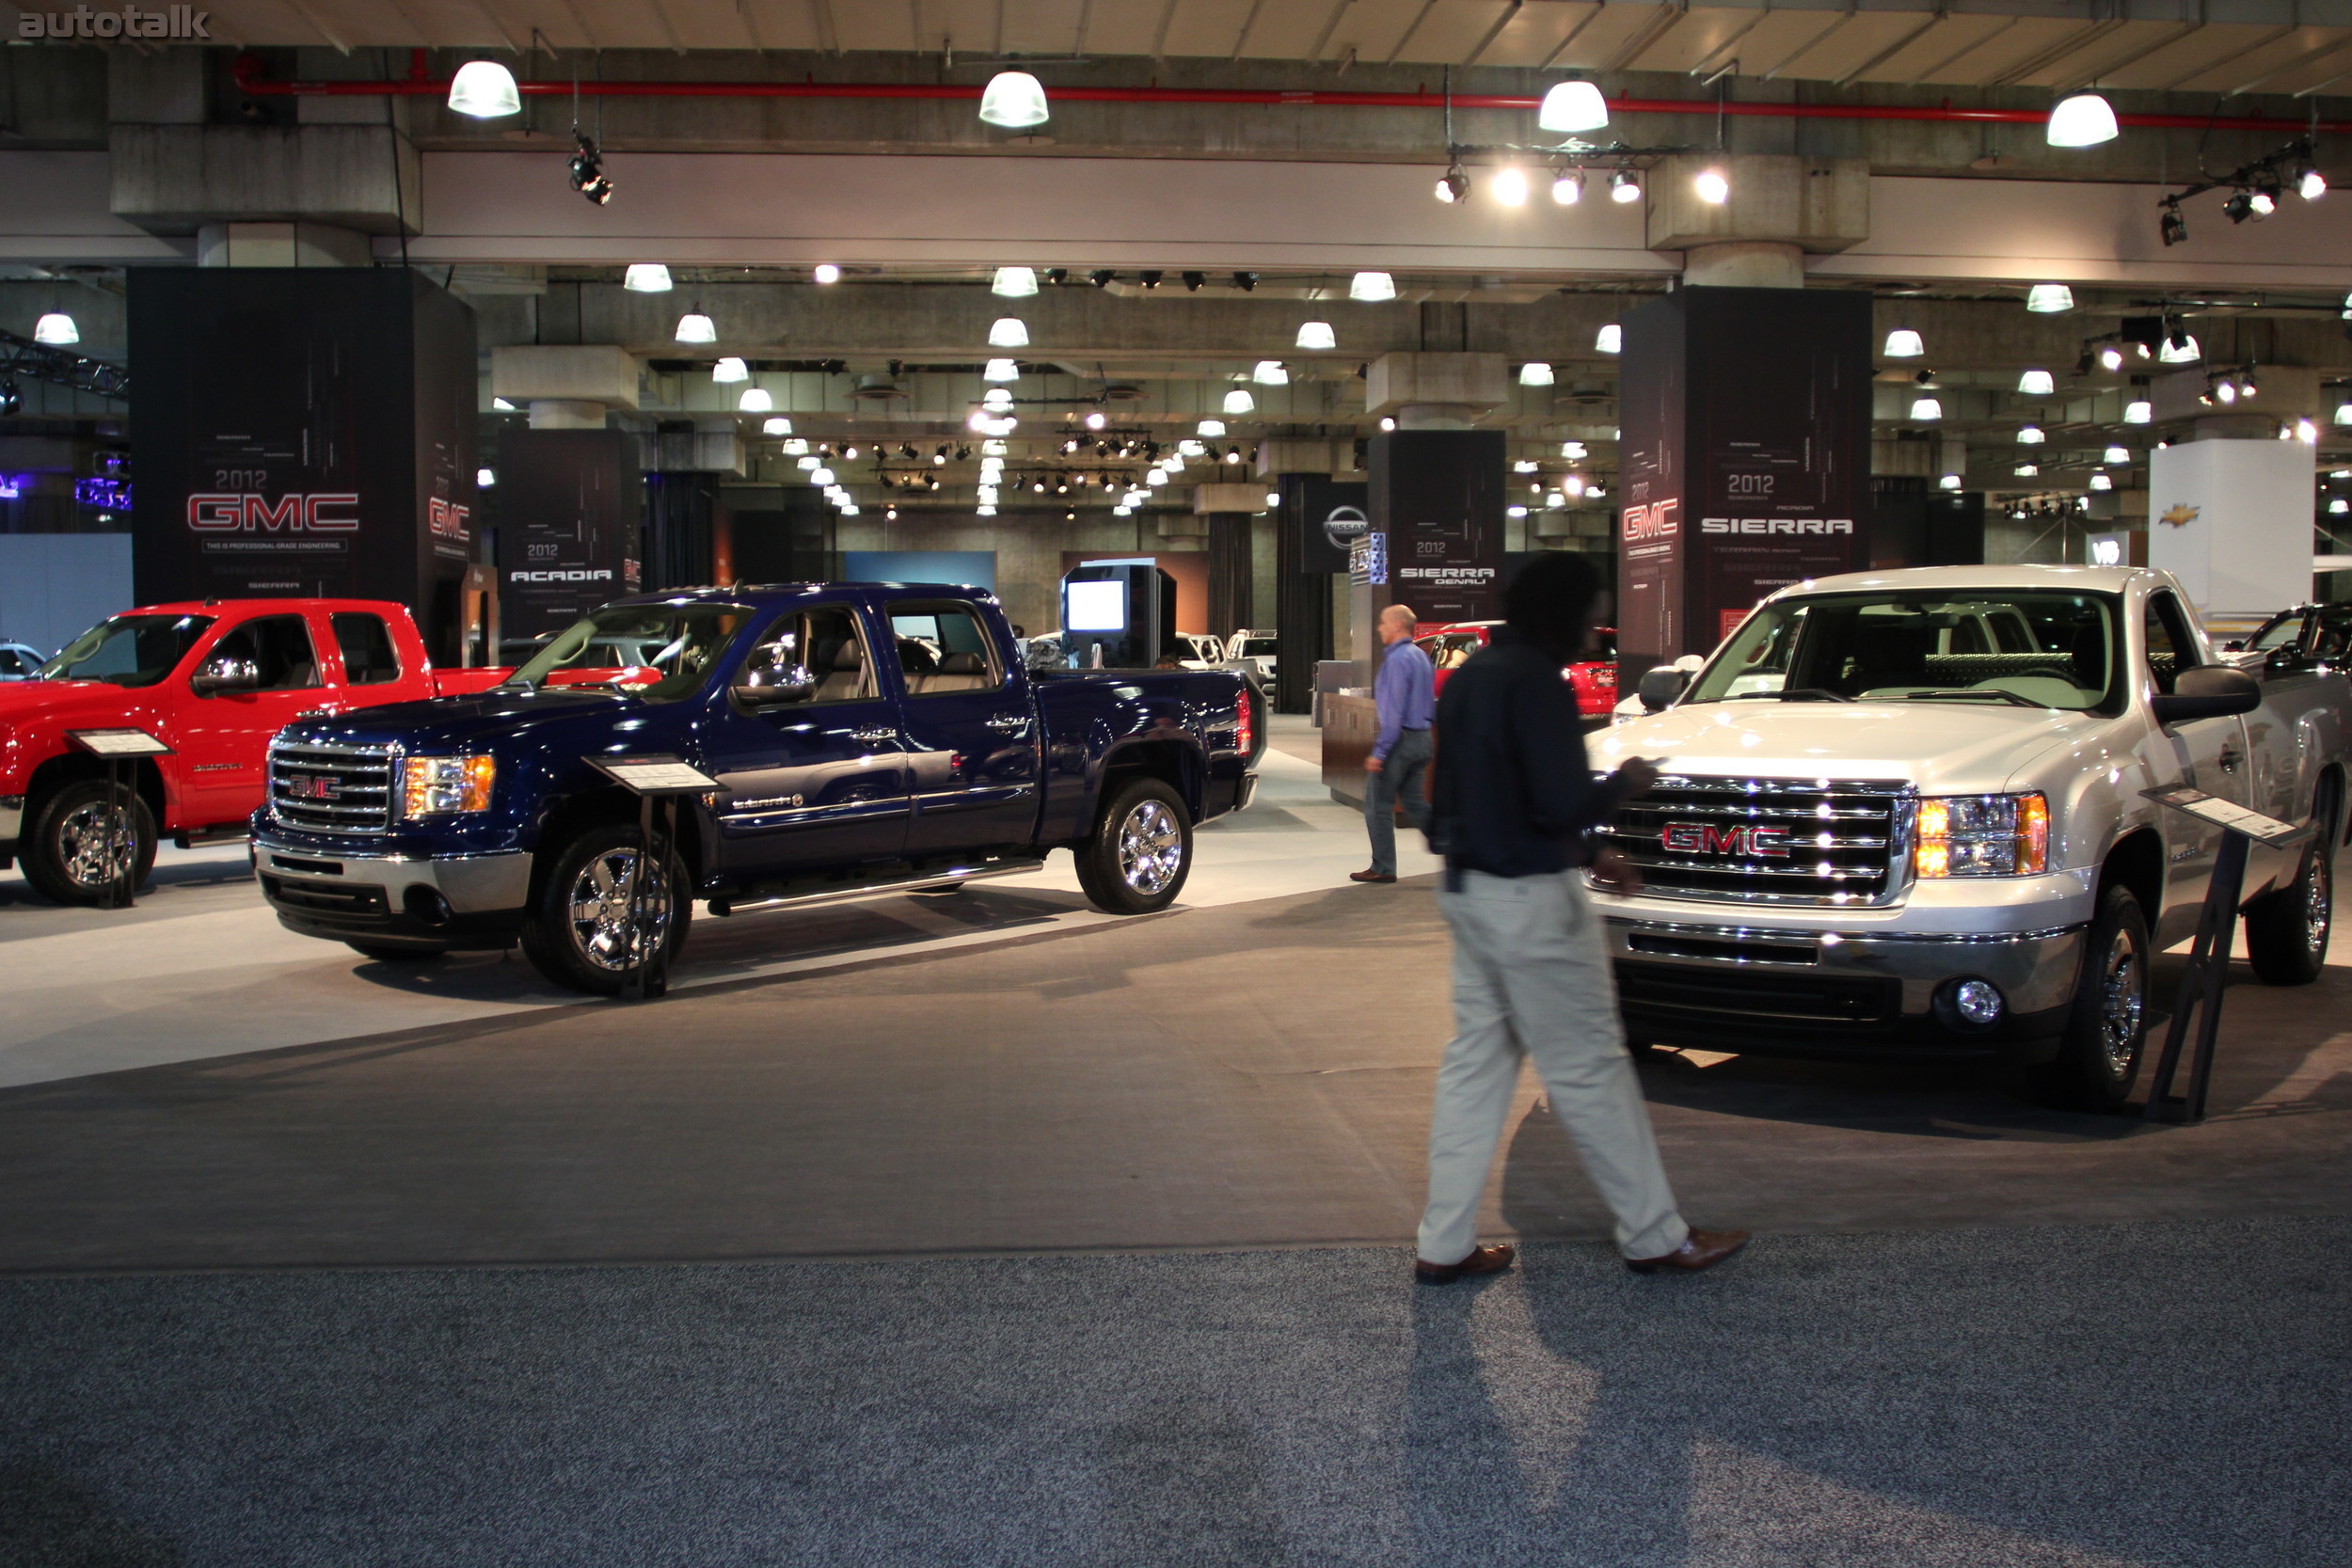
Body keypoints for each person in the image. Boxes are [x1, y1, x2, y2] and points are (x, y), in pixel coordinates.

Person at [1412, 553, 1748, 1284]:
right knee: (1590, 1065)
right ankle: (1656, 1233)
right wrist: (1625, 784)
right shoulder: (1539, 681)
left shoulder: (1471, 676)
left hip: (1470, 892)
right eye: (1591, 612)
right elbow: (1559, 800)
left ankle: (1443, 1242)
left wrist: (1591, 847)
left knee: (1476, 1068)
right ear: (1562, 612)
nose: (1596, 629)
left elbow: (1466, 797)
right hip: (1535, 902)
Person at [1351, 604, 1436, 885]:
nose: (1379, 628)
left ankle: (1384, 867)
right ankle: (1458, 848)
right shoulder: (1421, 657)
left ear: (1398, 625)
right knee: (1415, 802)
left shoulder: (1398, 660)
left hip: (1401, 741)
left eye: (1383, 622)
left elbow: (1393, 711)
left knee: (1378, 805)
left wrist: (1380, 752)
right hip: (1423, 738)